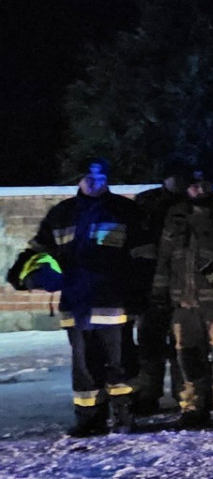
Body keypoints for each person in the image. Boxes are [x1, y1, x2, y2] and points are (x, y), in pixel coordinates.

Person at [10, 159, 142, 436]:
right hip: (76, 302)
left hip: (114, 301)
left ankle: (124, 415)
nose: (96, 183)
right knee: (84, 365)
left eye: (101, 177)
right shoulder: (61, 213)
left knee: (120, 362)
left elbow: (143, 257)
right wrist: (23, 274)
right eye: (89, 178)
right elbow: (37, 250)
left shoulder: (125, 210)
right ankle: (89, 419)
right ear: (79, 180)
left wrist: (139, 295)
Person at [153, 167, 213, 429]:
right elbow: (164, 257)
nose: (200, 189)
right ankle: (193, 407)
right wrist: (160, 292)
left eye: (205, 184)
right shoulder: (176, 216)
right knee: (188, 358)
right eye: (195, 185)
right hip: (183, 302)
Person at [130, 159, 191, 410]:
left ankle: (185, 395)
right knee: (149, 344)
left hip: (185, 283)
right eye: (172, 176)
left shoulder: (194, 203)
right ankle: (147, 394)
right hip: (150, 282)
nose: (177, 181)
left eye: (181, 176)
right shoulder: (145, 202)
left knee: (184, 342)